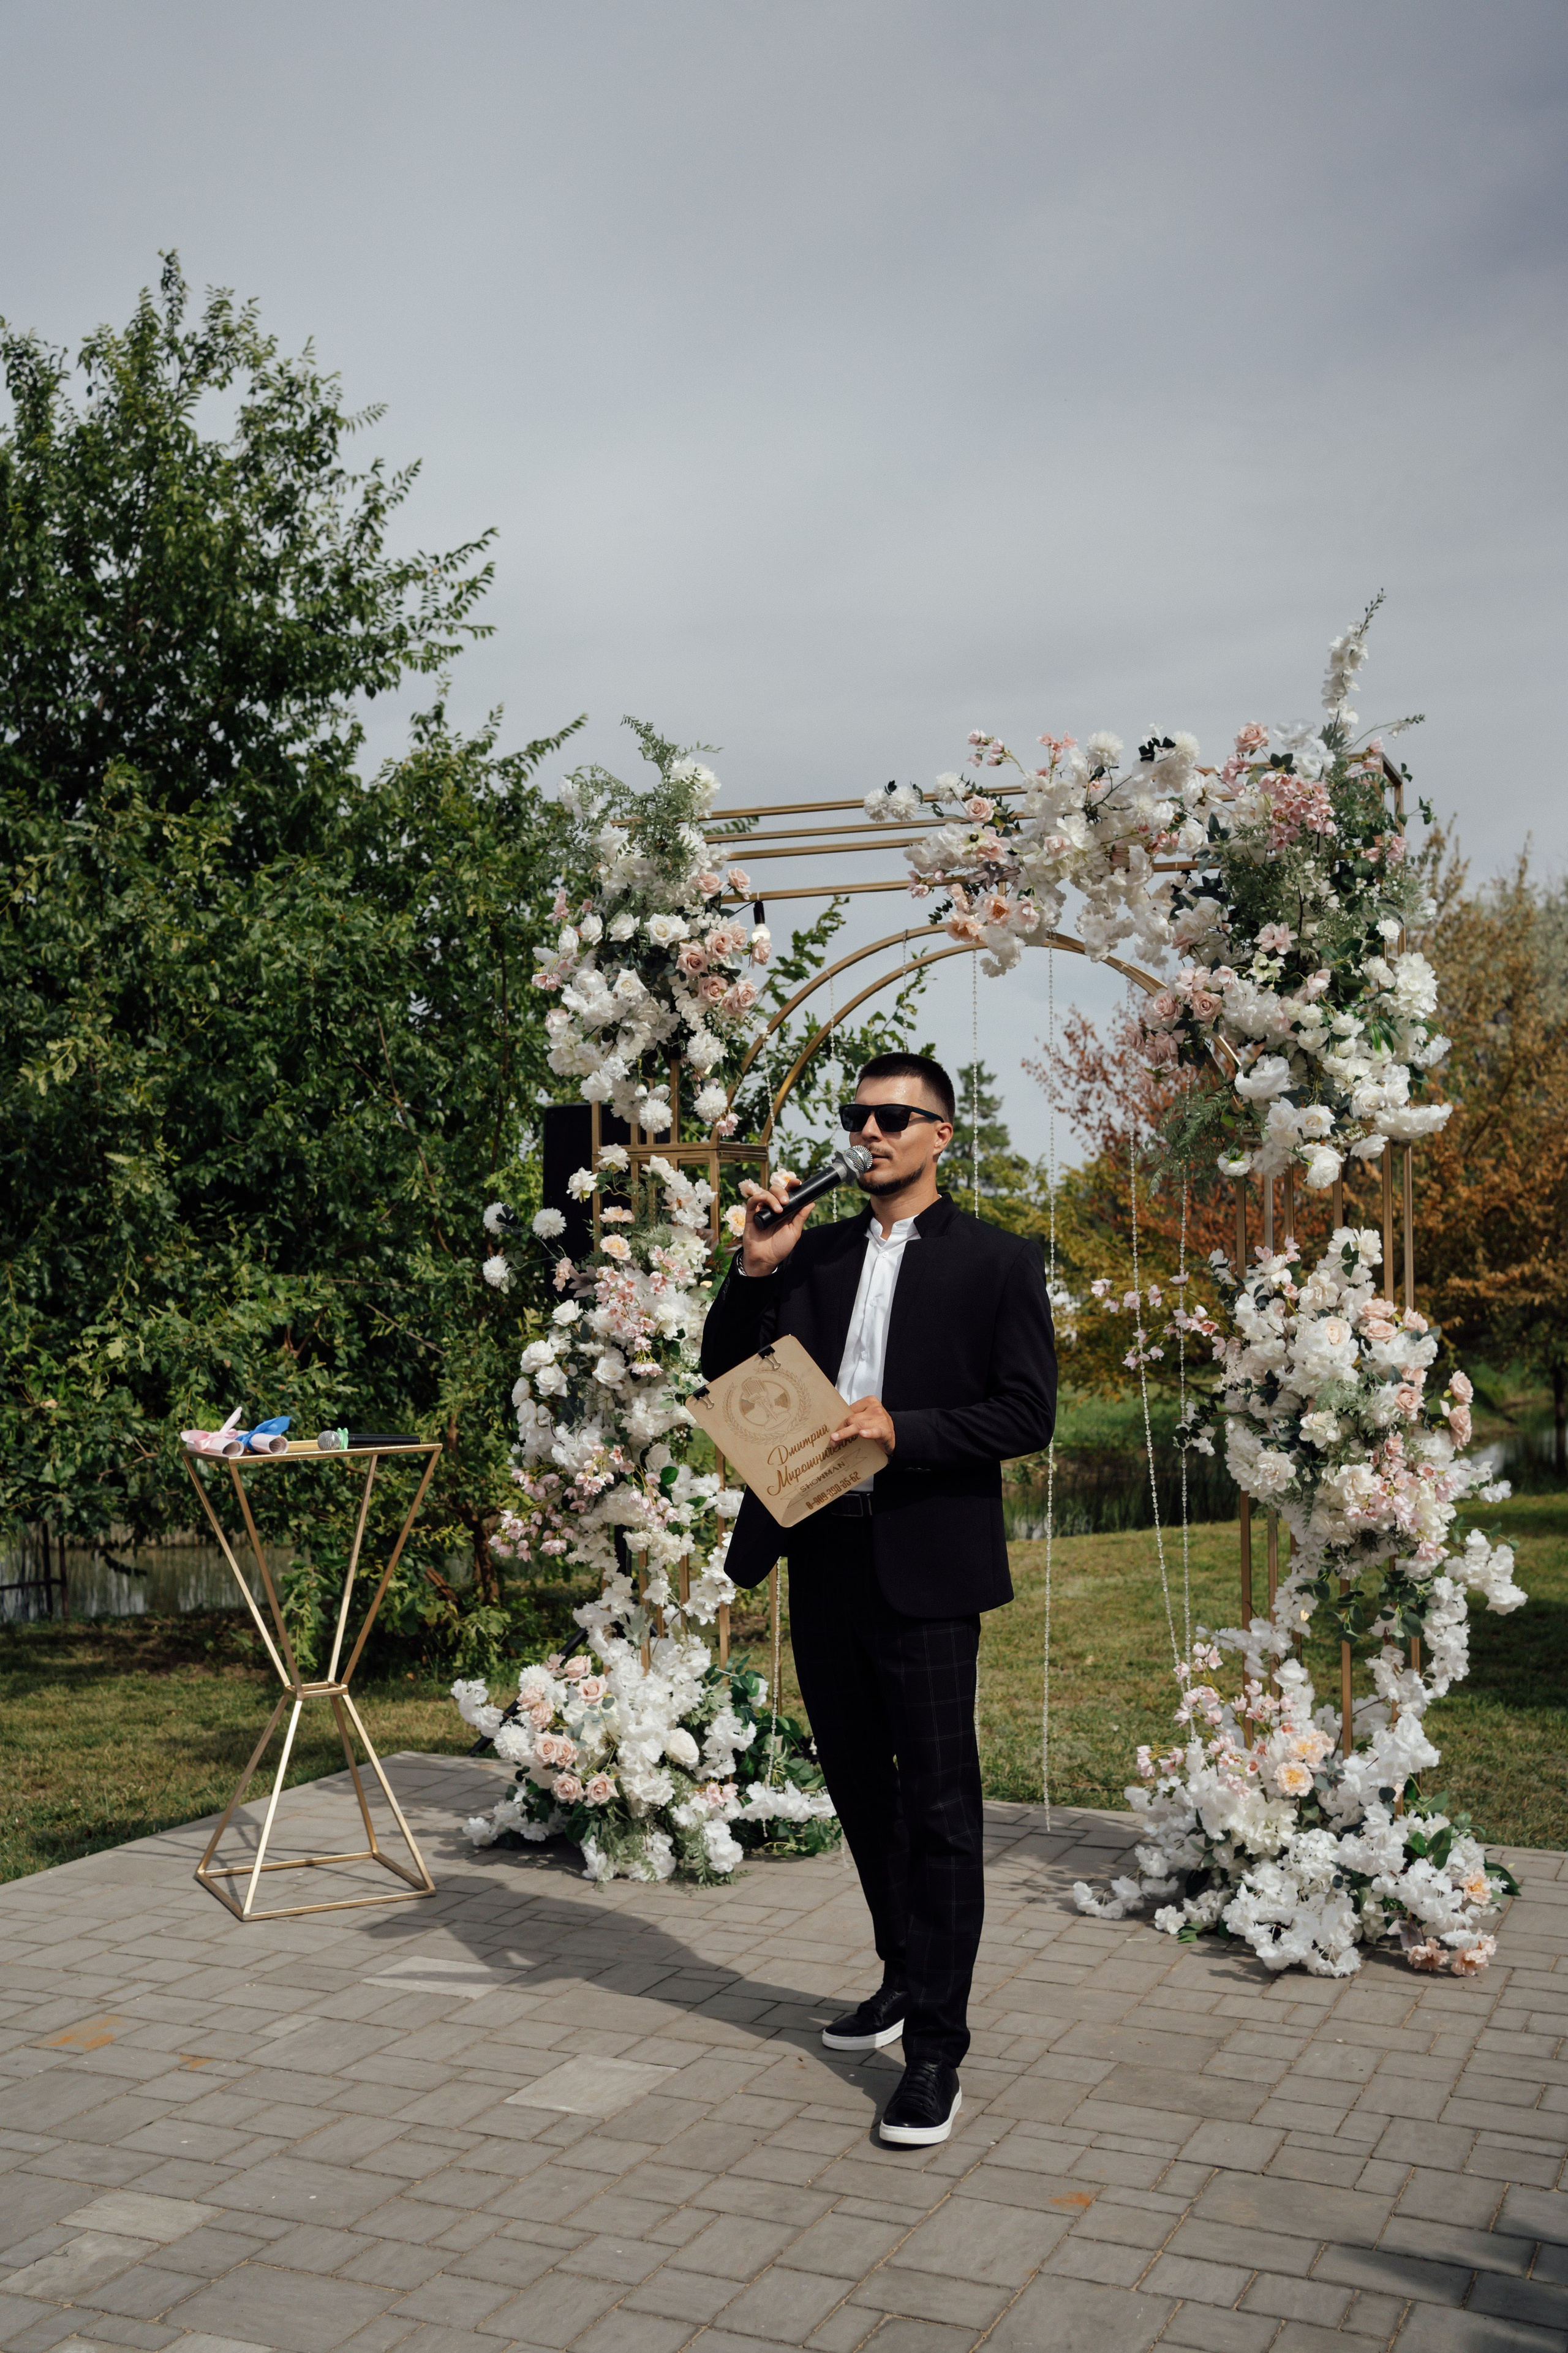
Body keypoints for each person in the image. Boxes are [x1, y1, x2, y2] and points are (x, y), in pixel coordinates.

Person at [699, 1051, 1057, 2145]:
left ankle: (936, 2050)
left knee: (941, 1807)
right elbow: (726, 1373)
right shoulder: (811, 1251)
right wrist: (756, 1268)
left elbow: (1027, 1412)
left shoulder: (999, 1260)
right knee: (860, 1787)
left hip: (928, 1561)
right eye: (858, 1114)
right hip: (822, 1548)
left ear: (943, 1133)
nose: (870, 1131)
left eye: (895, 1116)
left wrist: (908, 1429)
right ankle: (904, 1973)